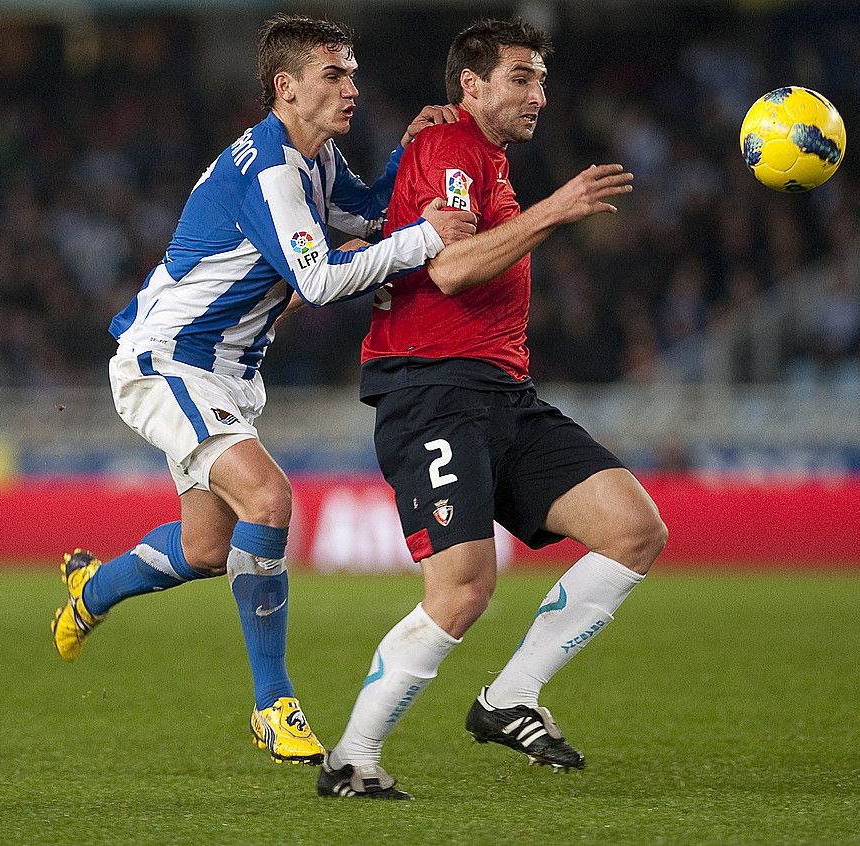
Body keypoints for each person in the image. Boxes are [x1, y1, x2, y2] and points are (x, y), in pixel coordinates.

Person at [49, 13, 475, 766]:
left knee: (210, 547)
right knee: (270, 501)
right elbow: (318, 278)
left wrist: (413, 148)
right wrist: (424, 240)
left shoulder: (316, 160)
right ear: (286, 88)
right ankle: (272, 704)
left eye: (352, 72)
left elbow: (369, 213)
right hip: (169, 360)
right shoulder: (271, 170)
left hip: (228, 375)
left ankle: (92, 590)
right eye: (333, 75)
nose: (351, 87)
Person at [317, 18, 667, 800]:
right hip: (432, 391)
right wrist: (556, 208)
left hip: (502, 393)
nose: (537, 94)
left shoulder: (481, 159)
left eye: (541, 79)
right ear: (470, 85)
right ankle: (352, 759)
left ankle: (509, 697)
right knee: (463, 590)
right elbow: (448, 271)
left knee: (633, 528)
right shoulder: (449, 150)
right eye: (520, 77)